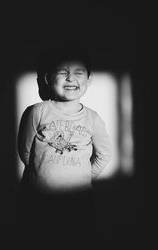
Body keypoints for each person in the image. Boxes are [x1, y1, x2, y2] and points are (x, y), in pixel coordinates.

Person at [16, 46, 111, 243]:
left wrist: (83, 176)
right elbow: (25, 151)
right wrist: (41, 173)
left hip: (79, 200)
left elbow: (104, 155)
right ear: (47, 78)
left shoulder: (93, 118)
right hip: (40, 198)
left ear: (89, 79)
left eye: (78, 72)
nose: (70, 78)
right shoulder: (37, 111)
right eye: (62, 72)